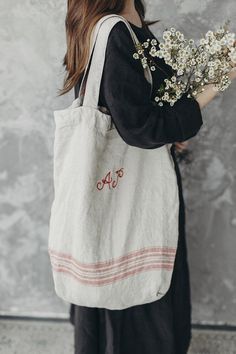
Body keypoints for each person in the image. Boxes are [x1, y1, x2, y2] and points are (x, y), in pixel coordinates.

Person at [59, 1, 236, 353]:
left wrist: (170, 129)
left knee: (126, 284)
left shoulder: (124, 17)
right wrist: (216, 83)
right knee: (137, 307)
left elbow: (135, 110)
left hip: (132, 188)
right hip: (132, 197)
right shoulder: (113, 30)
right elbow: (140, 128)